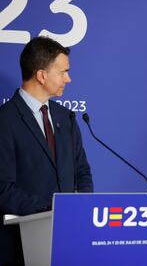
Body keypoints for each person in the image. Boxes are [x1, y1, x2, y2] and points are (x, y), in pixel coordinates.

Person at [0, 36, 93, 265]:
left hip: (70, 242)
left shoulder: (66, 118)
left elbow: (82, 172)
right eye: (63, 72)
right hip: (20, 246)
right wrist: (53, 209)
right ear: (42, 75)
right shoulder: (5, 120)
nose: (68, 78)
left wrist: (81, 209)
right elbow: (3, 189)